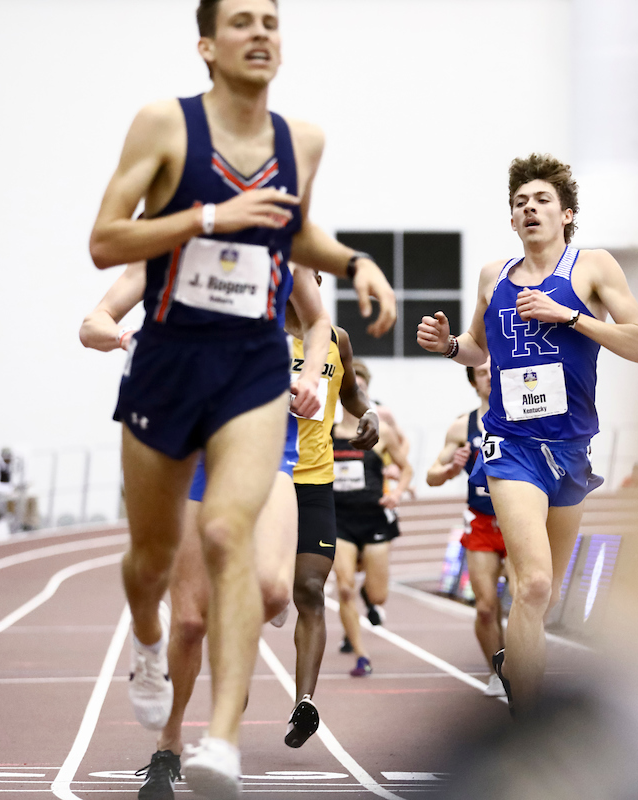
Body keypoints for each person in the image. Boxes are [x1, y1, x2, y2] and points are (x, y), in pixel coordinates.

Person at [87, 0, 394, 791]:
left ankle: (218, 743)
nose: (261, 32)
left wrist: (355, 261)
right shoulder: (164, 126)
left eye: (272, 20)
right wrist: (210, 216)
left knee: (237, 545)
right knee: (154, 568)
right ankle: (148, 642)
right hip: (170, 367)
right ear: (206, 44)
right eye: (242, 20)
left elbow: (297, 238)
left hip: (253, 371)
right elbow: (105, 241)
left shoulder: (301, 142)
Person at [80, 263, 349, 799]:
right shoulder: (169, 245)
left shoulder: (279, 244)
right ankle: (169, 742)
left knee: (275, 590)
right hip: (185, 435)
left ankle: (223, 735)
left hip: (260, 426)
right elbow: (93, 322)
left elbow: (319, 320)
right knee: (188, 621)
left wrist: (311, 373)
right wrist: (124, 335)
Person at [416, 153, 638, 713]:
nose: (530, 209)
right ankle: (523, 720)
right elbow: (478, 348)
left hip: (570, 450)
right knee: (536, 585)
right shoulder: (492, 275)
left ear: (567, 214)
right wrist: (450, 346)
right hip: (510, 445)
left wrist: (568, 316)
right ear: (511, 219)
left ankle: (516, 660)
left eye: (542, 200)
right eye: (520, 202)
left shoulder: (593, 267)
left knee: (538, 602)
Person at [286, 283, 379, 748]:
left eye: (316, 277)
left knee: (309, 589)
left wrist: (370, 414)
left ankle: (304, 702)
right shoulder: (257, 334)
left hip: (315, 484)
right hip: (263, 485)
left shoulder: (337, 339)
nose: (308, 285)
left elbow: (350, 397)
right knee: (253, 594)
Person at [426, 361, 512, 697]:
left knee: (523, 599)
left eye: (494, 369)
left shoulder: (523, 413)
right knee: (486, 606)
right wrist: (451, 468)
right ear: (473, 382)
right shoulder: (464, 426)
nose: (489, 375)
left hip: (519, 522)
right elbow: (432, 475)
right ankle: (498, 670)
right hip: (481, 523)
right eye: (481, 372)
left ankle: (519, 669)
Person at [331, 363, 413, 677]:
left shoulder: (382, 432)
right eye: (349, 388)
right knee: (345, 587)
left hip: (375, 518)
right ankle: (361, 655)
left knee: (378, 595)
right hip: (340, 519)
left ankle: (370, 597)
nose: (355, 393)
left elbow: (406, 468)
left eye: (360, 388)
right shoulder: (327, 432)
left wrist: (397, 492)